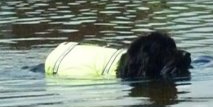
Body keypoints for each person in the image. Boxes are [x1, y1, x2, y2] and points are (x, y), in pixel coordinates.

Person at [44, 31, 191, 80]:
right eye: (168, 52)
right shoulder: (141, 67)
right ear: (150, 60)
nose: (180, 54)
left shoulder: (137, 61)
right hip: (58, 62)